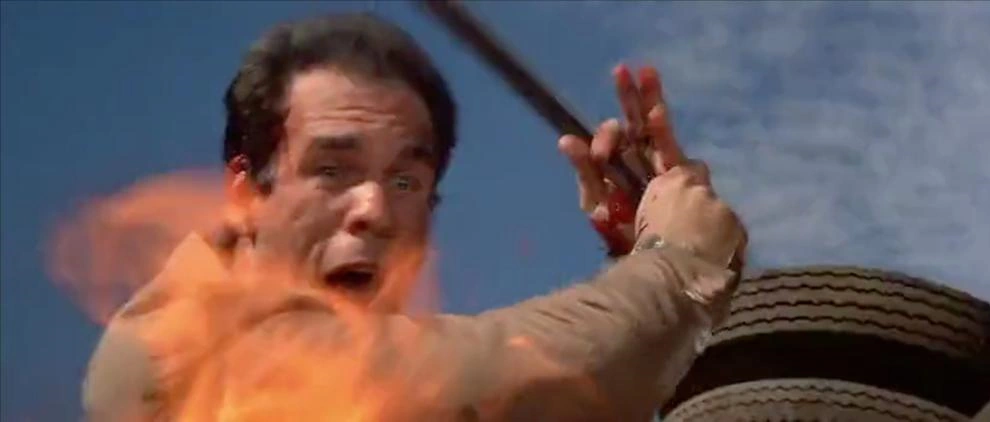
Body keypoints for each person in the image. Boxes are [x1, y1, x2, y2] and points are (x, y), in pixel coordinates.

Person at [81, 12, 747, 422]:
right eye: (332, 170)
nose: (375, 210)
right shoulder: (182, 349)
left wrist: (640, 252)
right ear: (245, 194)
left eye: (405, 180)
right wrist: (677, 265)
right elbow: (500, 383)